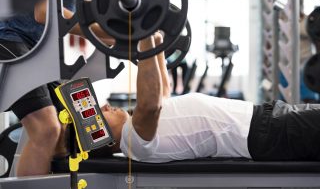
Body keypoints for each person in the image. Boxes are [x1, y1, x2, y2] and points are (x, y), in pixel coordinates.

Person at [94, 33, 320, 163]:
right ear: (101, 138)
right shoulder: (134, 142)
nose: (104, 106)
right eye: (99, 113)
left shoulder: (138, 131)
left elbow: (162, 91)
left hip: (268, 117)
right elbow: (150, 104)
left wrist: (155, 39)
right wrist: (144, 38)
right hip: (266, 133)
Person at [0, 0, 114, 176]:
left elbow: (86, 13)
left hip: (34, 49)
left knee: (82, 132)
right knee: (47, 128)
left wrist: (123, 33)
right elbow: (44, 11)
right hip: (8, 40)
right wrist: (101, 32)